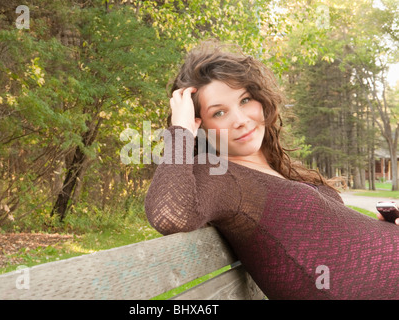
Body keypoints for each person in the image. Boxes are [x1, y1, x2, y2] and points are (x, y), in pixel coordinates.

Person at [144, 40, 399, 300]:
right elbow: (170, 215)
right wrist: (181, 132)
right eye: (219, 113)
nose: (241, 120)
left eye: (245, 100)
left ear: (260, 99)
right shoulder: (221, 174)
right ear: (201, 125)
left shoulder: (276, 169)